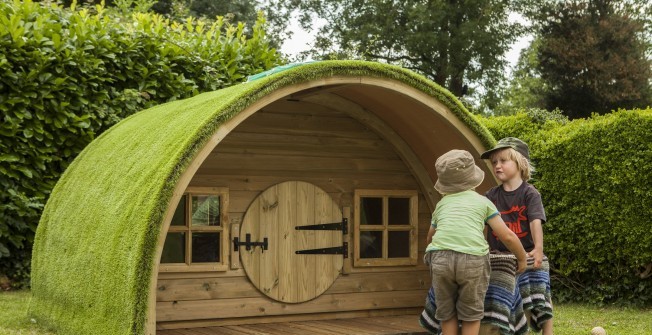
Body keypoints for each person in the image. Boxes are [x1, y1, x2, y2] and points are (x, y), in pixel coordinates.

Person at [425, 149, 527, 335]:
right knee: (471, 314)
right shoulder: (483, 202)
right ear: (473, 178)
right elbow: (507, 236)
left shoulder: (442, 204)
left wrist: (434, 253)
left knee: (446, 313)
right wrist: (521, 258)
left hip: (439, 258)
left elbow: (431, 236)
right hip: (472, 260)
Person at [480, 137, 553, 335]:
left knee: (541, 276)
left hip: (527, 253)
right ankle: (500, 324)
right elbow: (480, 226)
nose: (497, 166)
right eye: (494, 162)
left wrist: (538, 249)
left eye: (503, 161)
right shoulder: (490, 196)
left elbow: (535, 222)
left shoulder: (530, 194)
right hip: (498, 255)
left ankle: (547, 329)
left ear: (520, 163)